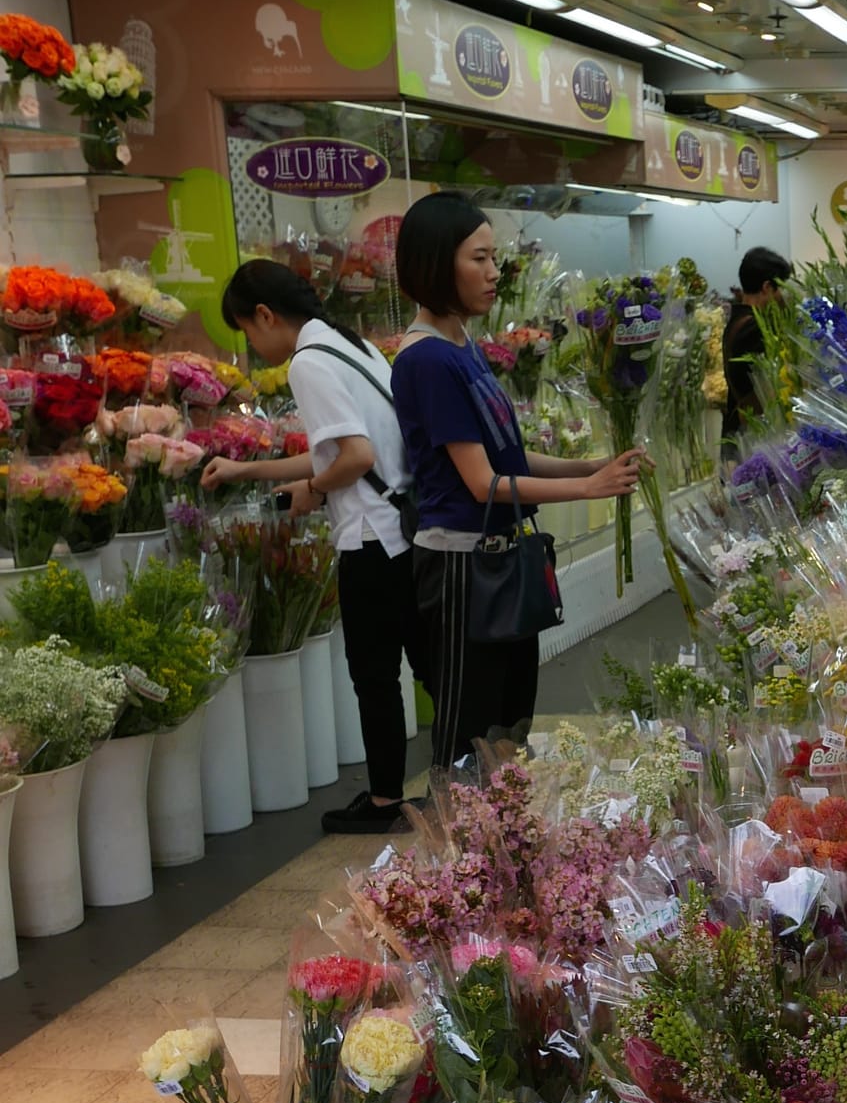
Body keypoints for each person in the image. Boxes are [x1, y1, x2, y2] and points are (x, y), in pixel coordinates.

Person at [390, 192, 640, 773]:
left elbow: (510, 458)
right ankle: (458, 855)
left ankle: (503, 852)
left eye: (494, 257)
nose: (493, 272)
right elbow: (483, 485)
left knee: (508, 727)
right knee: (467, 736)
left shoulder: (463, 346)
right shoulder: (427, 360)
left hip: (500, 564)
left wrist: (592, 466)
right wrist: (587, 490)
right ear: (435, 262)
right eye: (478, 258)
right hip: (462, 570)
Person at [203, 260, 425, 834]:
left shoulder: (306, 362)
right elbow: (338, 449)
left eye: (248, 332)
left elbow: (352, 459)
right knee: (423, 667)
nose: (252, 345)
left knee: (374, 676)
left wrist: (311, 491)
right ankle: (457, 783)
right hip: (406, 534)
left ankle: (383, 803)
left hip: (372, 539)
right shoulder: (350, 345)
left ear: (265, 315)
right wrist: (244, 471)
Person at [721, 245, 792, 449]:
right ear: (767, 287)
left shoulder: (738, 319)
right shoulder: (754, 329)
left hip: (742, 431)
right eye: (782, 289)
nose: (783, 298)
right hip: (752, 437)